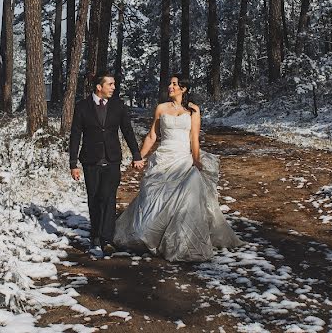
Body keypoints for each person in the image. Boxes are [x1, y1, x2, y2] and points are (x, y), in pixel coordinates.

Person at [114, 74, 241, 262]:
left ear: (184, 89)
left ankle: (181, 242)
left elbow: (194, 139)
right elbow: (152, 136)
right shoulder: (161, 108)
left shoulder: (193, 111)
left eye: (175, 84)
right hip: (163, 158)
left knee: (186, 198)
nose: (170, 86)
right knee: (153, 197)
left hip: (183, 159)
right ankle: (148, 234)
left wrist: (197, 161)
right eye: (170, 83)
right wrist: (139, 155)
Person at [69, 71, 144, 257]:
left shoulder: (118, 106)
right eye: (110, 84)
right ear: (99, 87)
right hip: (90, 160)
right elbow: (75, 135)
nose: (113, 87)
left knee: (109, 197)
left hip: (112, 159)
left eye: (113, 84)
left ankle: (107, 240)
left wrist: (136, 154)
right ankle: (94, 237)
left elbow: (127, 130)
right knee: (94, 199)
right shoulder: (83, 107)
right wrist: (73, 163)